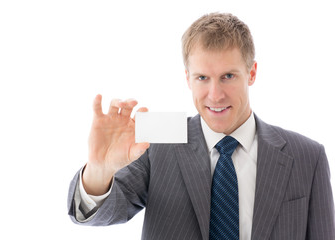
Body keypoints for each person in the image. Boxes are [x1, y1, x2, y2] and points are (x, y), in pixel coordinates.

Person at [67, 12, 335, 239]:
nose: (215, 94)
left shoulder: (307, 156)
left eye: (228, 76)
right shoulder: (157, 140)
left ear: (251, 73)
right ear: (187, 78)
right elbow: (105, 211)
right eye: (202, 77)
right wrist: (100, 171)